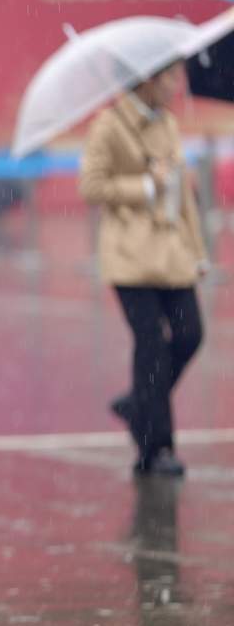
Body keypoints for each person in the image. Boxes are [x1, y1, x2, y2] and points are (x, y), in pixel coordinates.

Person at [80, 61, 208, 478]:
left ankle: (139, 404)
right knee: (150, 345)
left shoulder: (166, 123)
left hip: (171, 253)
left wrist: (197, 250)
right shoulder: (109, 125)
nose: (176, 85)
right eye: (170, 77)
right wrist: (145, 185)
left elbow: (183, 194)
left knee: (190, 334)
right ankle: (156, 448)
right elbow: (91, 186)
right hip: (130, 257)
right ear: (149, 79)